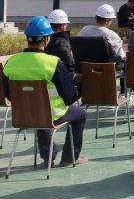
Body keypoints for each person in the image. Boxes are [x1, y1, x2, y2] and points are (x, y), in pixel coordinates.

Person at [2, 16, 88, 167]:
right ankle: (69, 158)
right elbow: (68, 96)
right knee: (80, 114)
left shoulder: (11, 62)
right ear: (47, 39)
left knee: (40, 111)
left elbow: (8, 94)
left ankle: (48, 157)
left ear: (27, 37)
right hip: (51, 115)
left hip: (22, 115)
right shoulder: (53, 63)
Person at [79, 4, 126, 73]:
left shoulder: (84, 30)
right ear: (107, 21)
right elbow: (120, 56)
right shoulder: (112, 35)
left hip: (85, 68)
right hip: (105, 71)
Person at [46, 9, 79, 93]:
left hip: (47, 78)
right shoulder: (62, 43)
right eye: (66, 24)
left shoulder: (45, 40)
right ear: (62, 26)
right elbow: (70, 66)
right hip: (61, 82)